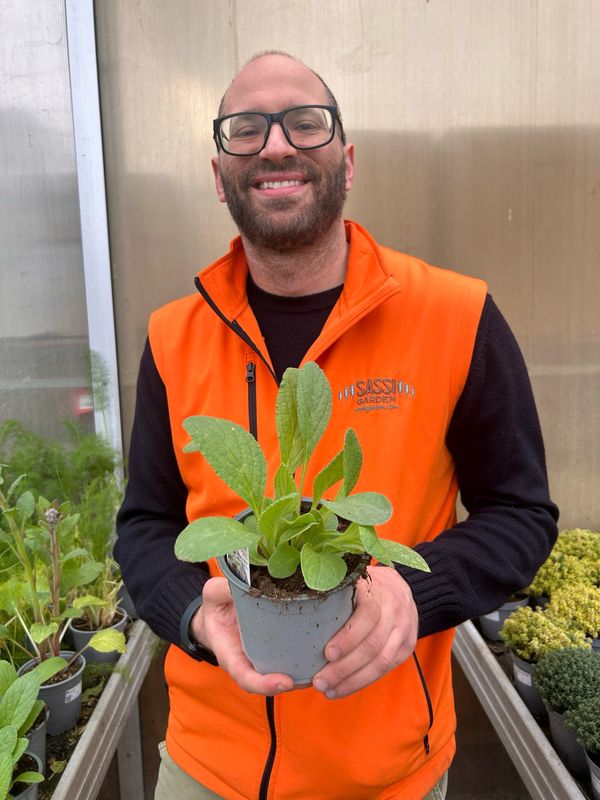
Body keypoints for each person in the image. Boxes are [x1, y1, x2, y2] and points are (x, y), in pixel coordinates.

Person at [115, 51, 558, 800]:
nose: (277, 145)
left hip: (391, 773)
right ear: (218, 174)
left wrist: (416, 595)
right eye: (246, 130)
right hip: (208, 768)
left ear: (346, 162)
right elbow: (146, 529)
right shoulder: (172, 336)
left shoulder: (456, 316)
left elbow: (521, 514)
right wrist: (195, 616)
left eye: (305, 123)